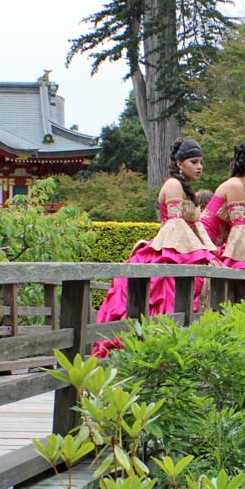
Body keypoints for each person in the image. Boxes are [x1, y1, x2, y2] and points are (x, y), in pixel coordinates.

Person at [93, 138, 218, 357]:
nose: (199, 167)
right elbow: (176, 226)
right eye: (194, 162)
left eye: (201, 162)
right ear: (179, 163)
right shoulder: (173, 185)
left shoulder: (184, 188)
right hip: (169, 250)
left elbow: (194, 227)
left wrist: (210, 253)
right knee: (164, 299)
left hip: (181, 251)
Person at [200, 143, 245, 302]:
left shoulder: (242, 188)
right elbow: (239, 234)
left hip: (213, 248)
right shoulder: (236, 186)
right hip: (206, 248)